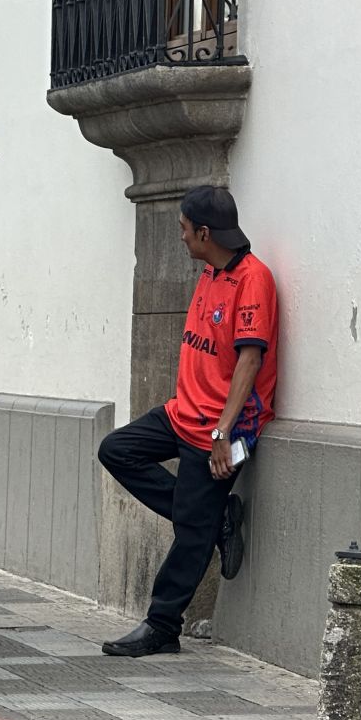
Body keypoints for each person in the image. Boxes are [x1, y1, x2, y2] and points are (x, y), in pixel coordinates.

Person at [95, 185, 279, 657]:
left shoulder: (253, 280)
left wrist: (222, 433)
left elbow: (250, 361)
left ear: (204, 232)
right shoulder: (210, 270)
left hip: (222, 429)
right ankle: (215, 520)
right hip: (182, 413)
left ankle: (162, 626)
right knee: (116, 450)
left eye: (183, 228)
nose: (179, 236)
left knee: (190, 534)